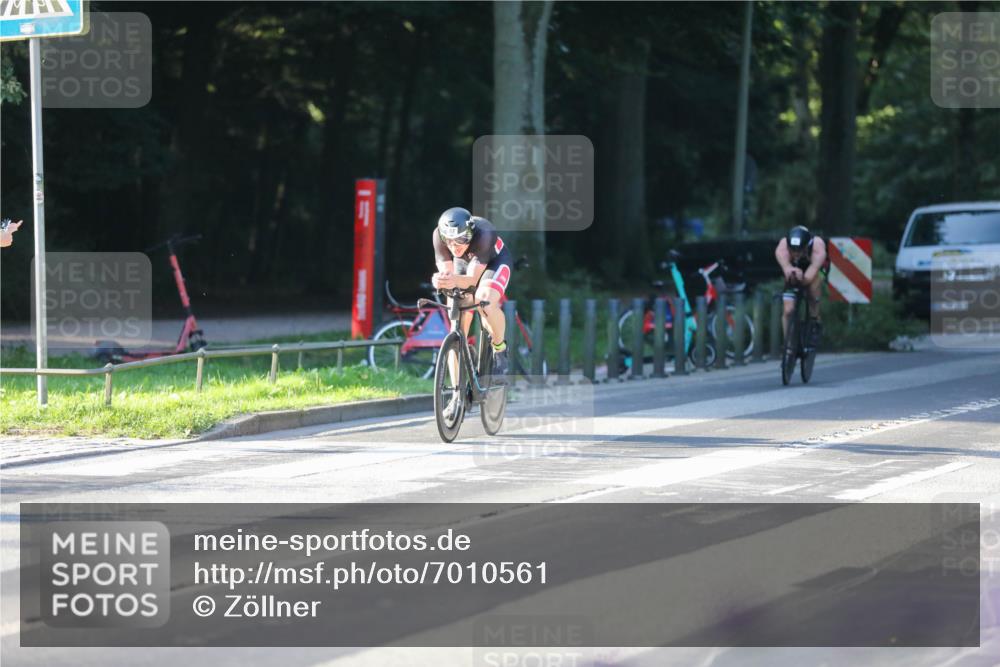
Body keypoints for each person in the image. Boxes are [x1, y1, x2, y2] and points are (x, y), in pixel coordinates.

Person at [431, 207, 512, 419]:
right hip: (463, 267)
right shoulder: (438, 236)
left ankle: (500, 348)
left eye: (460, 240)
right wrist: (439, 280)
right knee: (456, 322)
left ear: (470, 232)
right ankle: (457, 396)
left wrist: (450, 281)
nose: (454, 246)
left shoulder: (484, 233)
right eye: (449, 242)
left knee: (484, 300)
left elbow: (472, 281)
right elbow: (447, 273)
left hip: (492, 264)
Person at [774, 225, 827, 344]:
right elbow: (786, 268)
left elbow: (808, 279)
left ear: (806, 246)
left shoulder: (817, 248)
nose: (796, 253)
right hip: (795, 268)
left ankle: (815, 320)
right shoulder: (782, 248)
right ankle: (788, 344)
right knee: (788, 310)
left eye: (799, 250)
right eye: (792, 250)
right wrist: (789, 271)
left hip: (818, 268)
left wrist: (802, 278)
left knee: (812, 290)